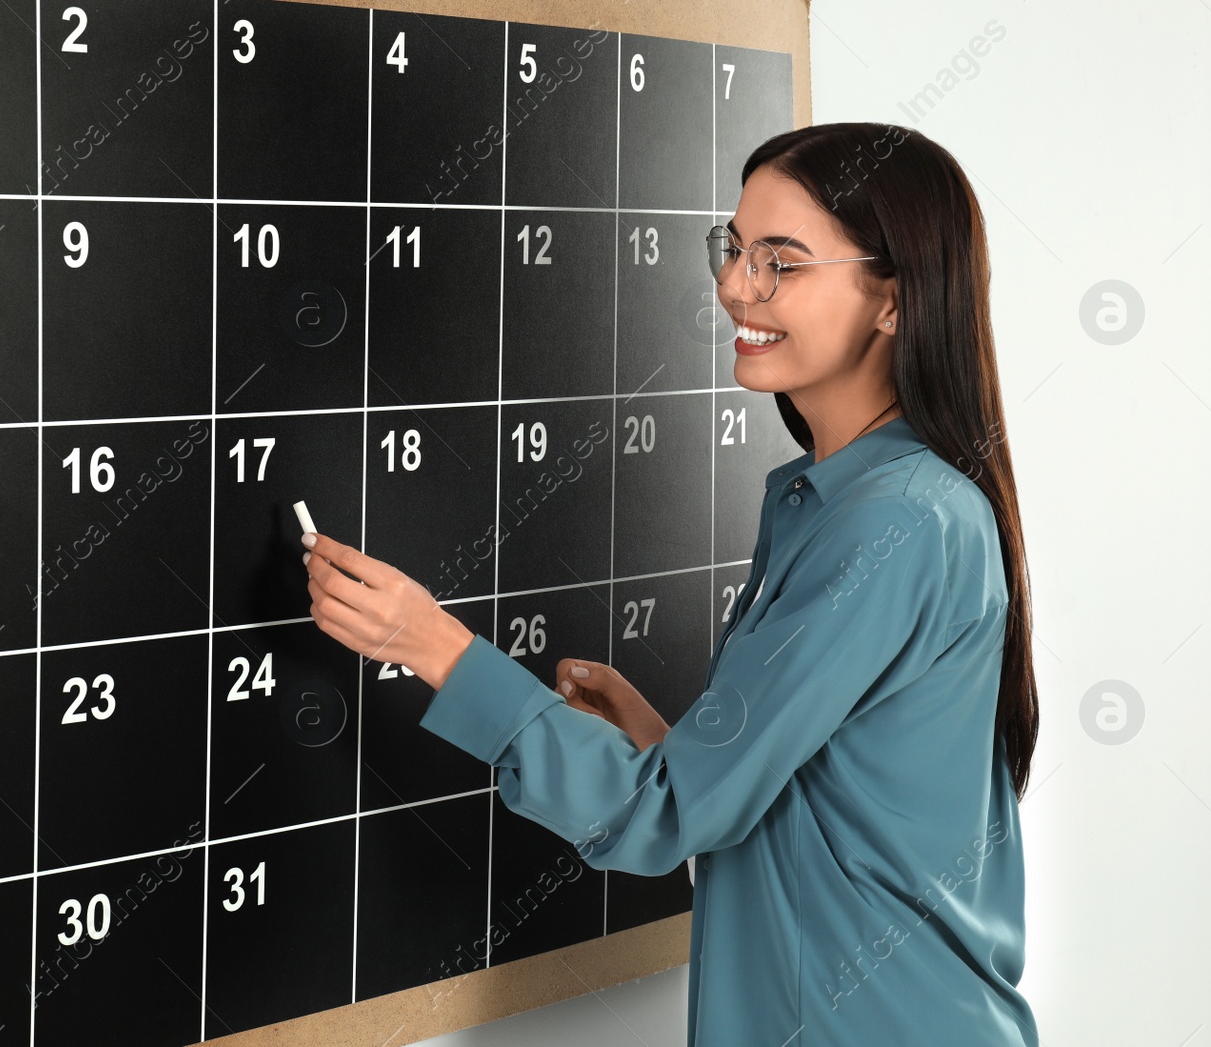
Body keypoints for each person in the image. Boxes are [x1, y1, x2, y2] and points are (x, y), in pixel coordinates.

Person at [300, 122, 1041, 1046]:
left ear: (892, 299)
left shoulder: (892, 522)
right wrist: (660, 739)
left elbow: (664, 816)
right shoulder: (835, 496)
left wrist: (431, 645)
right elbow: (799, 805)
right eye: (733, 249)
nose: (735, 286)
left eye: (782, 262)